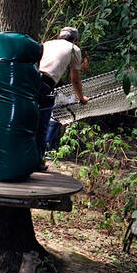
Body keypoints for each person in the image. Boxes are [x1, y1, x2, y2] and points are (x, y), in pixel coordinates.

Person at [37, 25, 89, 167]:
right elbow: (75, 79)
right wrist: (81, 98)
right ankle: (36, 162)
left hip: (28, 79)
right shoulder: (74, 49)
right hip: (44, 84)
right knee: (43, 124)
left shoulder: (47, 43)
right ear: (75, 40)